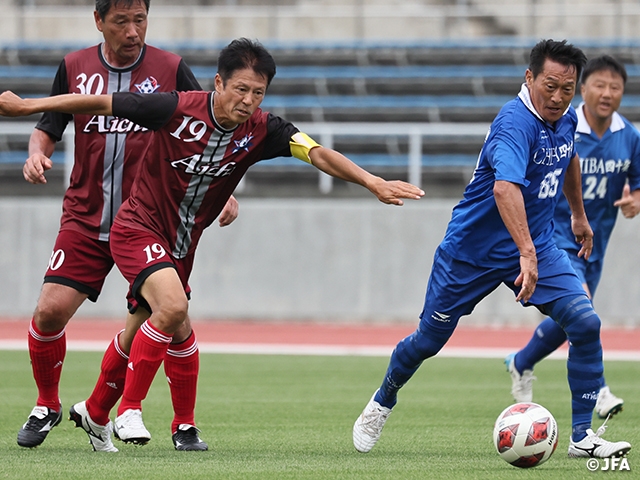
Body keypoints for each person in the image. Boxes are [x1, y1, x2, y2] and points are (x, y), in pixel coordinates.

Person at [0, 37, 425, 447]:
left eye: (258, 92)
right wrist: (28, 107)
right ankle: (129, 409)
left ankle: (94, 413)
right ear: (218, 83)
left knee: (142, 331)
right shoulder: (173, 107)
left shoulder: (262, 130)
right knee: (173, 309)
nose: (248, 100)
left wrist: (372, 181)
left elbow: (314, 152)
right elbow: (97, 102)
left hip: (181, 244)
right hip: (136, 226)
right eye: (240, 89)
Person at [350, 40, 632, 459]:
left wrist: (577, 215)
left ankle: (581, 437)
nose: (557, 97)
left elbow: (568, 157)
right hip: (471, 252)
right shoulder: (514, 122)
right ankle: (383, 399)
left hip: (535, 244)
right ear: (530, 78)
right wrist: (528, 253)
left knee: (585, 323)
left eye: (566, 89)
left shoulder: (567, 118)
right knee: (428, 339)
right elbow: (504, 189)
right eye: (550, 86)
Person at [16, 0, 238, 452]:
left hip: (150, 221)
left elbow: (206, 123)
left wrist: (224, 187)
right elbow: (49, 125)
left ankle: (167, 421)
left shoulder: (171, 68)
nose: (133, 30)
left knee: (169, 320)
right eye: (122, 21)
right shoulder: (74, 67)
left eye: (140, 20)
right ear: (99, 21)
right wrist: (37, 151)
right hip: (85, 218)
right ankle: (48, 404)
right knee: (48, 311)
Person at [505, 55, 640, 418]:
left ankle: (522, 360)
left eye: (615, 88)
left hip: (594, 244)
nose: (607, 93)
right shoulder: (562, 126)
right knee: (583, 312)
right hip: (556, 238)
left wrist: (634, 201)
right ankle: (599, 392)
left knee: (574, 319)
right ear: (583, 89)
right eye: (599, 85)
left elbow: (639, 184)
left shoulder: (629, 137)